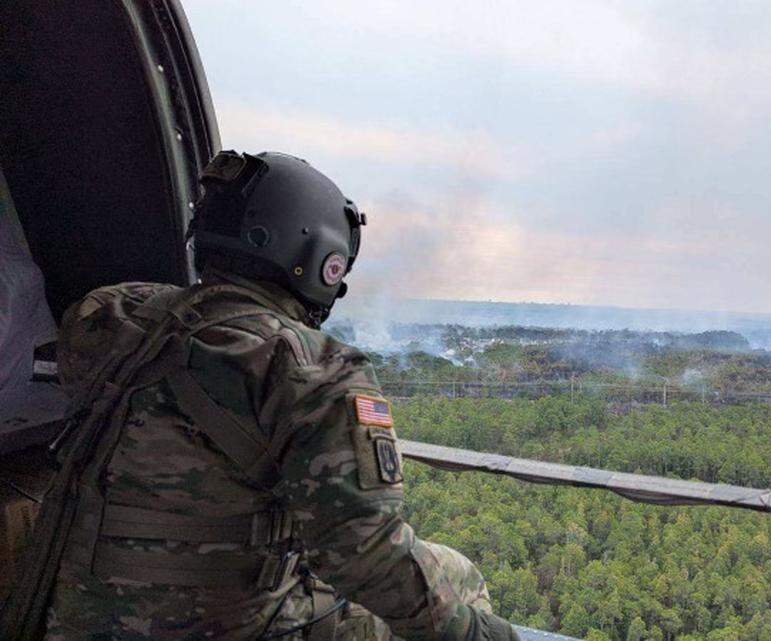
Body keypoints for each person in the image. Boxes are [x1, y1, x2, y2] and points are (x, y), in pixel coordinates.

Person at [5, 151, 518, 641]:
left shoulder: (109, 321)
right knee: (456, 574)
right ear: (319, 259)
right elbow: (366, 556)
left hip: (71, 618)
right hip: (227, 627)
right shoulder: (315, 369)